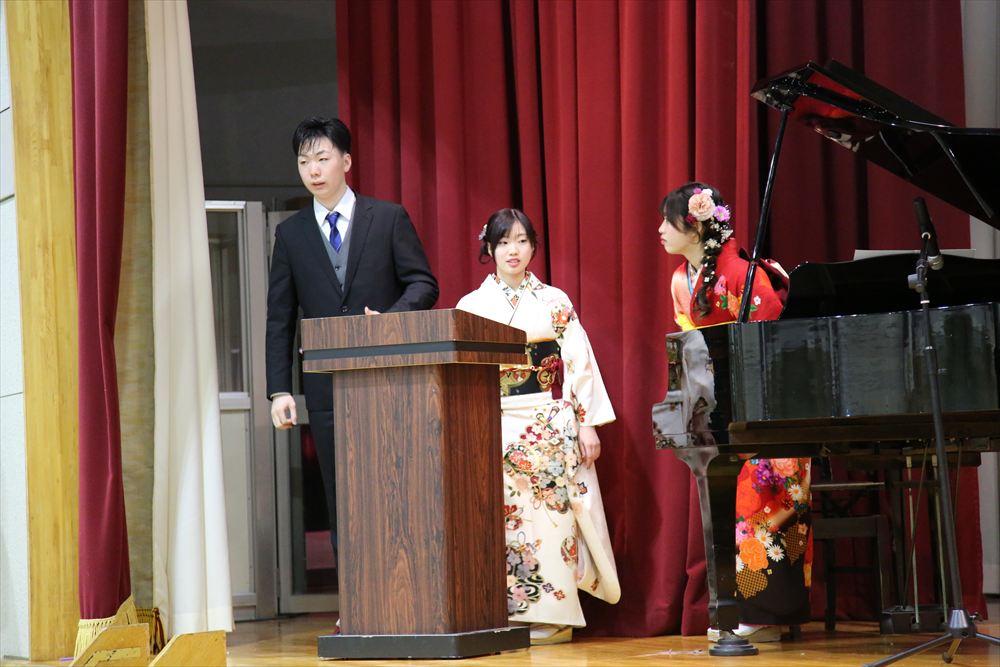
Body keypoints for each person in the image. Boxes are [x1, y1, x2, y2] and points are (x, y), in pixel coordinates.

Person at [266, 117, 439, 557]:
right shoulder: (290, 234)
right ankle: (354, 591)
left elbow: (423, 284)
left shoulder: (388, 218)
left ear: (345, 161)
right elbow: (280, 317)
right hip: (326, 388)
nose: (313, 170)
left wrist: (389, 321)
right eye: (303, 162)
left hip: (390, 380)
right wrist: (279, 390)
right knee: (341, 494)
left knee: (397, 485)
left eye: (322, 158)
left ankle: (405, 584)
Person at [455, 209, 620, 645]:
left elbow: (580, 362)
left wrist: (587, 424)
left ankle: (555, 614)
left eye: (522, 241)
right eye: (504, 242)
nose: (513, 250)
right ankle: (503, 611)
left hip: (545, 421)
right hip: (491, 422)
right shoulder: (470, 306)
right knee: (501, 519)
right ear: (489, 248)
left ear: (533, 247)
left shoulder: (554, 300)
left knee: (552, 519)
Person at [658, 182, 811, 642]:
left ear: (694, 226)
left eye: (668, 221)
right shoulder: (681, 279)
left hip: (771, 407)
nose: (660, 230)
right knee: (722, 498)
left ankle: (765, 610)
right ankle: (732, 604)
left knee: (762, 490)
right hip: (719, 404)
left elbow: (773, 342)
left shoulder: (745, 274)